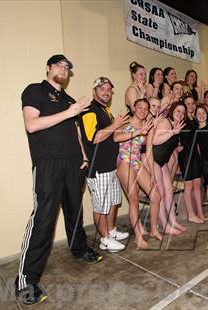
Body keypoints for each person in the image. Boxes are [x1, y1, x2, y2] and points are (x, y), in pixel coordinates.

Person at [15, 54, 102, 305]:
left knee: (75, 212)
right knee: (43, 219)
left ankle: (79, 249)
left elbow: (75, 131)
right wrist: (69, 112)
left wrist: (84, 157)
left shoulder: (69, 100)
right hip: (48, 163)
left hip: (74, 163)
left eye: (67, 67)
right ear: (48, 68)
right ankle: (26, 280)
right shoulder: (34, 91)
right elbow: (31, 125)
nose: (63, 69)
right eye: (59, 65)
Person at [79, 77, 130, 252]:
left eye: (109, 89)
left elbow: (112, 136)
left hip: (110, 166)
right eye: (102, 88)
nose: (106, 91)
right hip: (98, 168)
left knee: (114, 201)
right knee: (101, 205)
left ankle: (111, 230)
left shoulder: (105, 111)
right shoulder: (89, 111)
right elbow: (94, 138)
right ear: (95, 91)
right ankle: (105, 239)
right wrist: (115, 124)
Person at [114, 98, 162, 249]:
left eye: (145, 108)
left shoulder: (149, 126)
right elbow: (116, 138)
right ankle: (138, 238)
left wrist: (153, 173)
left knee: (156, 195)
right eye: (139, 107)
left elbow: (148, 152)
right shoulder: (125, 122)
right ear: (134, 108)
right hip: (124, 160)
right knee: (133, 197)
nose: (142, 110)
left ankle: (154, 229)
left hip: (136, 161)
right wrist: (138, 132)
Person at [153, 102, 186, 234]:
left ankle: (173, 221)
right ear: (172, 111)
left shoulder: (176, 125)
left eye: (183, 113)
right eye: (178, 111)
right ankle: (165, 225)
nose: (180, 114)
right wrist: (173, 132)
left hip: (163, 162)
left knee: (169, 191)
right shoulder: (165, 122)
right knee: (160, 192)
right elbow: (155, 140)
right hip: (154, 160)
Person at [178, 96, 205, 222]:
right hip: (185, 155)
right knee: (188, 185)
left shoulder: (195, 119)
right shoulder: (181, 120)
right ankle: (191, 214)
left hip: (195, 155)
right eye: (187, 103)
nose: (190, 105)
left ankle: (200, 212)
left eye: (192, 103)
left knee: (197, 185)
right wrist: (176, 147)